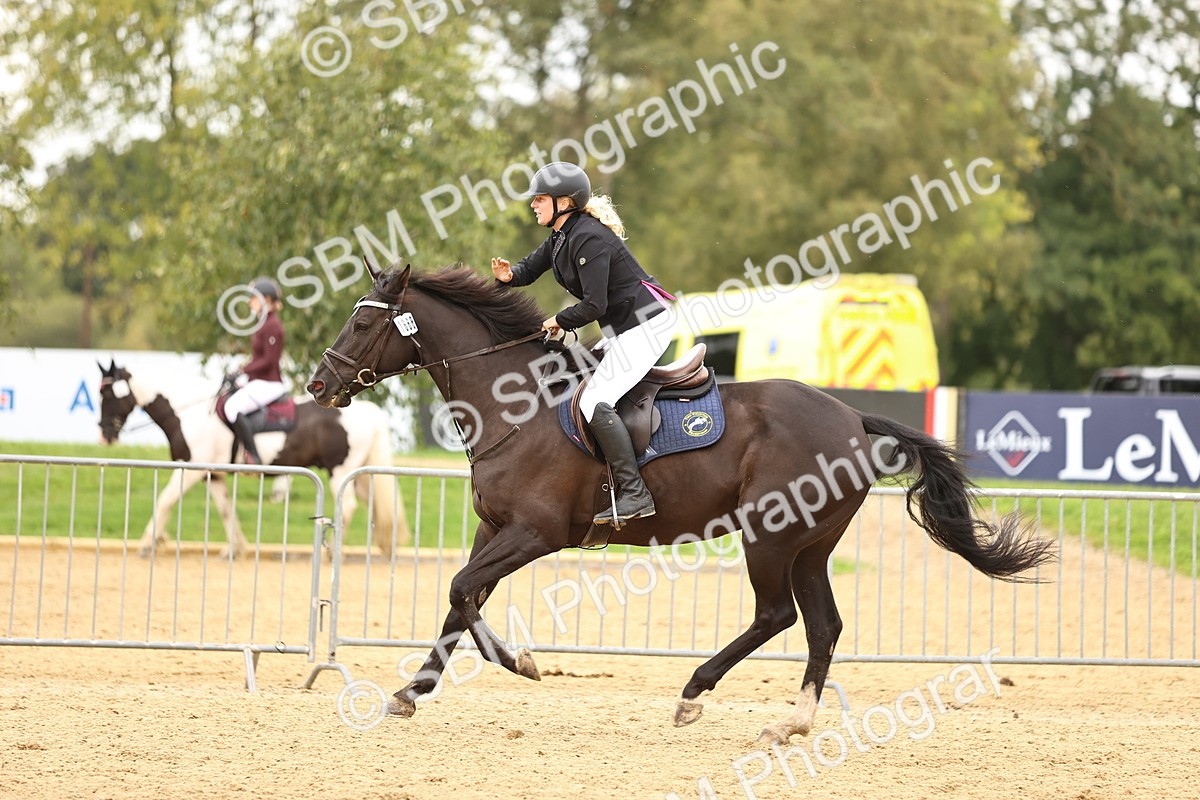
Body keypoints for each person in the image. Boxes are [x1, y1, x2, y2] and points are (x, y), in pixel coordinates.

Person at [492, 162, 676, 524]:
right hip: (625, 329)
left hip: (647, 326)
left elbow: (595, 305)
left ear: (565, 202)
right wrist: (509, 275)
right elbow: (531, 267)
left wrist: (559, 320)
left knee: (594, 399)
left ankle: (636, 493)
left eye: (540, 199)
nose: (534, 205)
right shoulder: (563, 234)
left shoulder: (588, 236)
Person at [223, 277, 287, 466]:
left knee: (232, 407)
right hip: (258, 381)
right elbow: (258, 358)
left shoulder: (272, 325)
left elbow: (269, 360)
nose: (250, 302)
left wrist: (243, 369)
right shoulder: (264, 323)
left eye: (253, 298)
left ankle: (253, 455)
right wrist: (240, 371)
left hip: (269, 383)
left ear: (265, 300)